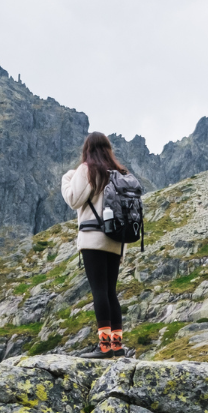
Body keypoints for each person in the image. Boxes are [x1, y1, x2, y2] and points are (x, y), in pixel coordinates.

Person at [61, 132, 130, 358]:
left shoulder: (88, 169)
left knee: (98, 290)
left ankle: (104, 347)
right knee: (111, 292)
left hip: (93, 238)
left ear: (87, 150)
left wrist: (67, 178)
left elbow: (74, 199)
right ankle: (117, 345)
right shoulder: (120, 173)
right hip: (117, 240)